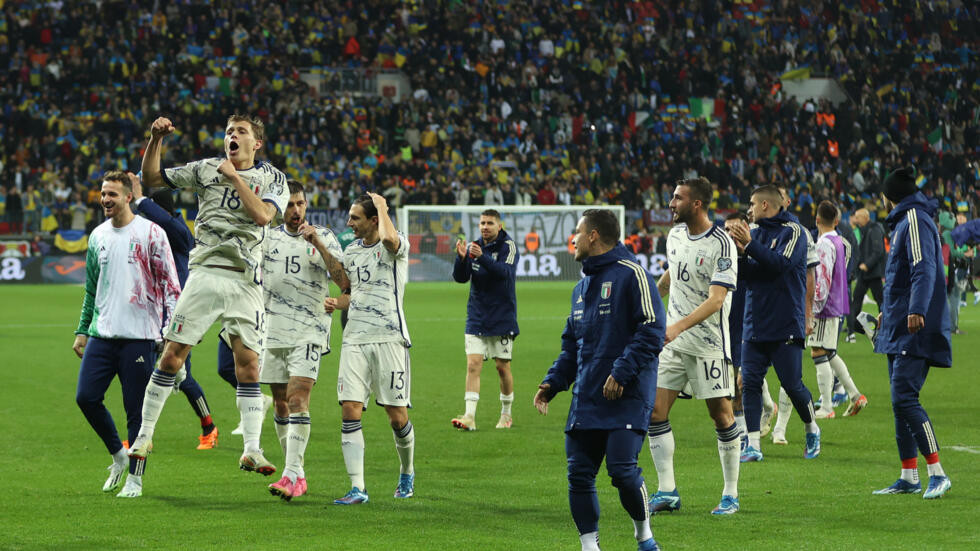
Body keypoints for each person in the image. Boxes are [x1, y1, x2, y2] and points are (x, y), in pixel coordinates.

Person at [127, 115, 290, 482]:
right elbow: (152, 178)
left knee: (248, 366)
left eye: (241, 132)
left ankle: (251, 449)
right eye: (229, 131)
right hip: (206, 272)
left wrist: (234, 177)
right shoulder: (204, 168)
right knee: (172, 355)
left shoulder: (273, 178)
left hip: (246, 279)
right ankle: (144, 436)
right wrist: (155, 139)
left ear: (256, 143)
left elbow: (263, 216)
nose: (232, 136)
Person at [533, 209, 665, 551]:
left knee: (622, 472)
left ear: (593, 235)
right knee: (578, 474)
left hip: (627, 395)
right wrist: (553, 383)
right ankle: (589, 546)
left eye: (577, 232)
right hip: (587, 397)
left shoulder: (633, 274)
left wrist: (621, 372)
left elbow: (652, 330)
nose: (573, 240)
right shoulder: (581, 287)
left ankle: (644, 536)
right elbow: (572, 345)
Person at [72, 170, 181, 498]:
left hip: (139, 336)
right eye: (103, 194)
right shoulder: (97, 236)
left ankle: (136, 479)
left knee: (136, 412)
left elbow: (170, 286)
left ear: (128, 197)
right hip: (102, 334)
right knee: (86, 397)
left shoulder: (152, 233)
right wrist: (82, 330)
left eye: (112, 194)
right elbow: (91, 289)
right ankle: (119, 455)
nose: (105, 200)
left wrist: (171, 333)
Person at [644, 178, 741, 516]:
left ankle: (730, 494)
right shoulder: (674, 235)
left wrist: (676, 327)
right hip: (672, 344)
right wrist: (649, 302)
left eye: (677, 198)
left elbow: (716, 300)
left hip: (708, 345)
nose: (671, 203)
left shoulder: (722, 244)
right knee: (654, 412)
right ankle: (667, 490)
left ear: (696, 203)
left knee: (721, 415)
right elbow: (671, 276)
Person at [325, 193, 415, 505]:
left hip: (389, 338)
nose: (349, 223)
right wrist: (337, 302)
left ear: (374, 219)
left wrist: (383, 206)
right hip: (354, 339)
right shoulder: (351, 251)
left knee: (396, 416)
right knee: (349, 408)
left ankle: (407, 471)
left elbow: (388, 238)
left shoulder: (396, 244)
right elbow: (351, 292)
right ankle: (357, 488)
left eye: (355, 218)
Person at [262, 181, 350, 501]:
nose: (296, 210)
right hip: (272, 328)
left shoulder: (324, 236)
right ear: (279, 208)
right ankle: (297, 473)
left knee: (298, 398)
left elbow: (344, 283)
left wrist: (320, 246)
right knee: (281, 401)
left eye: (300, 204)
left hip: (309, 329)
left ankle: (288, 475)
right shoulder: (267, 238)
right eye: (289, 205)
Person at [871, 167, 952, 499]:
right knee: (899, 401)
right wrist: (888, 311)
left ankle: (938, 473)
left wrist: (916, 309)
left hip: (914, 325)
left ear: (889, 196)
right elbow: (902, 277)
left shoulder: (915, 219)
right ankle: (908, 476)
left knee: (905, 398)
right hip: (899, 322)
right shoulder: (906, 221)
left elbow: (924, 268)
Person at [728, 185, 821, 461]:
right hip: (755, 322)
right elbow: (747, 274)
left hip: (785, 323)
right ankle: (754, 444)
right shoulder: (755, 234)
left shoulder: (794, 232)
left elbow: (780, 264)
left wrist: (750, 246)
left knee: (792, 385)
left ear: (765, 205)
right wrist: (739, 253)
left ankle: (812, 427)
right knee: (750, 384)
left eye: (752, 204)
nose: (749, 210)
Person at [130, 172, 220, 450]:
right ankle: (139, 436)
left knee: (182, 376)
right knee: (140, 372)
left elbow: (166, 221)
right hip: (152, 313)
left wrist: (140, 200)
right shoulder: (156, 236)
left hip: (180, 313)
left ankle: (209, 427)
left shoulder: (180, 234)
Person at [450, 209, 519, 431]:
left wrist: (482, 257)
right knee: (473, 364)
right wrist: (461, 259)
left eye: (489, 223)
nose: (485, 227)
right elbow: (461, 278)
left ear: (499, 226)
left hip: (502, 317)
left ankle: (506, 413)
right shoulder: (474, 246)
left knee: (502, 368)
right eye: (482, 223)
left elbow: (505, 273)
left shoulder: (508, 246)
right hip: (477, 315)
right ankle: (469, 416)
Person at [806, 201, 867, 419]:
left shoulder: (823, 244)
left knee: (818, 351)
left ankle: (826, 406)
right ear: (837, 221)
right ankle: (855, 395)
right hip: (836, 304)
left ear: (817, 220)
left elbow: (822, 279)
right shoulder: (839, 241)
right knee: (829, 352)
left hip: (825, 307)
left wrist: (813, 309)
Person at [846, 208, 886, 342]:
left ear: (865, 217)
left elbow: (878, 251)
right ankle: (853, 326)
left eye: (858, 217)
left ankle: (885, 325)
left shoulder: (874, 229)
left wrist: (867, 264)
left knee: (880, 301)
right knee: (857, 299)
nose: (856, 220)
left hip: (873, 273)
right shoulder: (865, 230)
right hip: (865, 274)